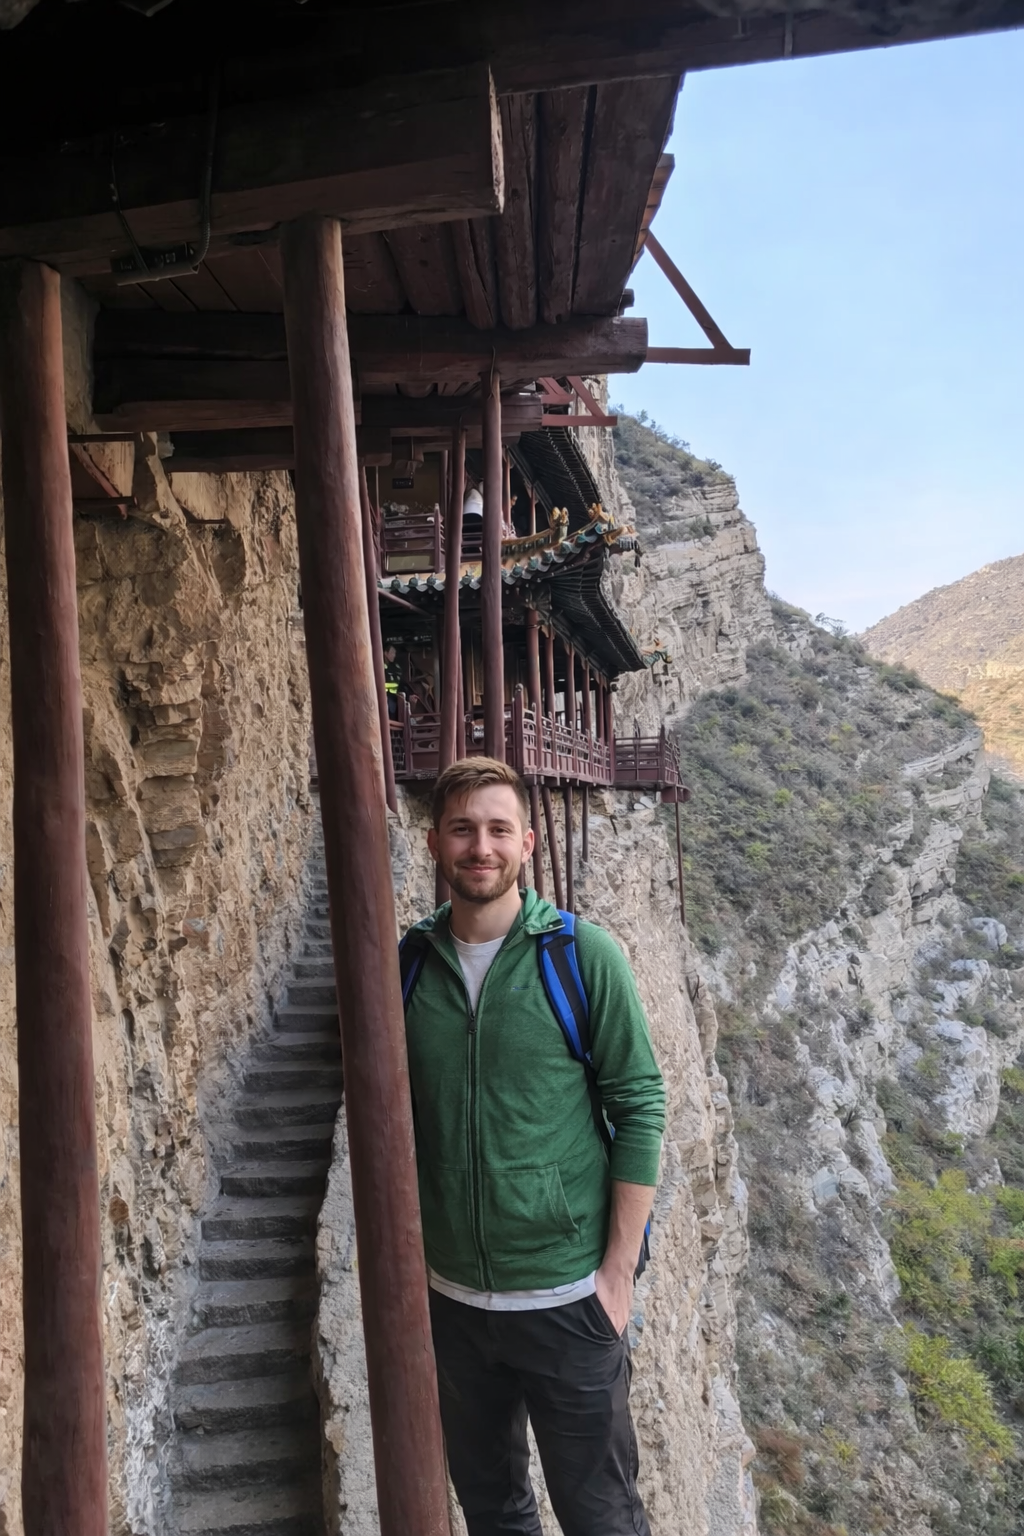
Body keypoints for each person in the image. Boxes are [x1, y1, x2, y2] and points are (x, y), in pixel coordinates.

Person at [401, 756, 665, 1536]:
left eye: (497, 829)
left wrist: (615, 1276)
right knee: (493, 1512)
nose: (479, 846)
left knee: (602, 1516)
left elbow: (641, 1107)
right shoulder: (409, 966)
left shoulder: (582, 957)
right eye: (462, 829)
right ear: (433, 844)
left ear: (527, 844)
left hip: (566, 1297)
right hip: (454, 1304)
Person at [383, 643, 403, 719]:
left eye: (395, 653)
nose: (394, 655)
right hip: (384, 697)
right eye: (392, 652)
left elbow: (400, 683)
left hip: (395, 697)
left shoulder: (396, 667)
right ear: (385, 653)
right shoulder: (379, 667)